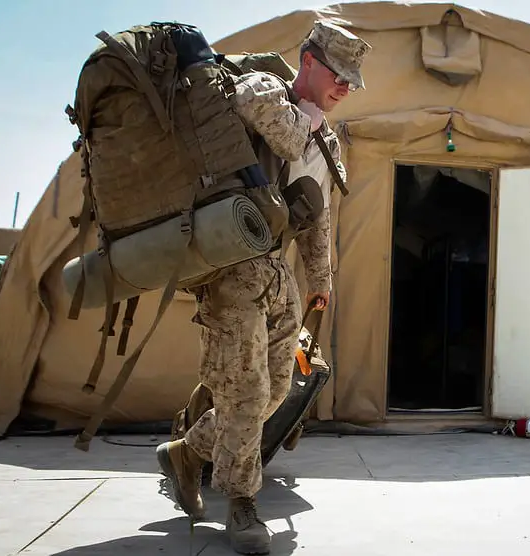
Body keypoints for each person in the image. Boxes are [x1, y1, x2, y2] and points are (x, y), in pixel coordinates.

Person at [155, 20, 371, 555]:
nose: (344, 87)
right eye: (337, 74)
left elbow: (317, 212)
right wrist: (317, 128)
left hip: (276, 272)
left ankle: (187, 452)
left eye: (352, 80)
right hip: (233, 268)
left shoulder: (327, 139)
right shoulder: (261, 89)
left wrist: (320, 280)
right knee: (246, 391)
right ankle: (242, 504)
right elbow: (286, 135)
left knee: (275, 392)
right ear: (306, 61)